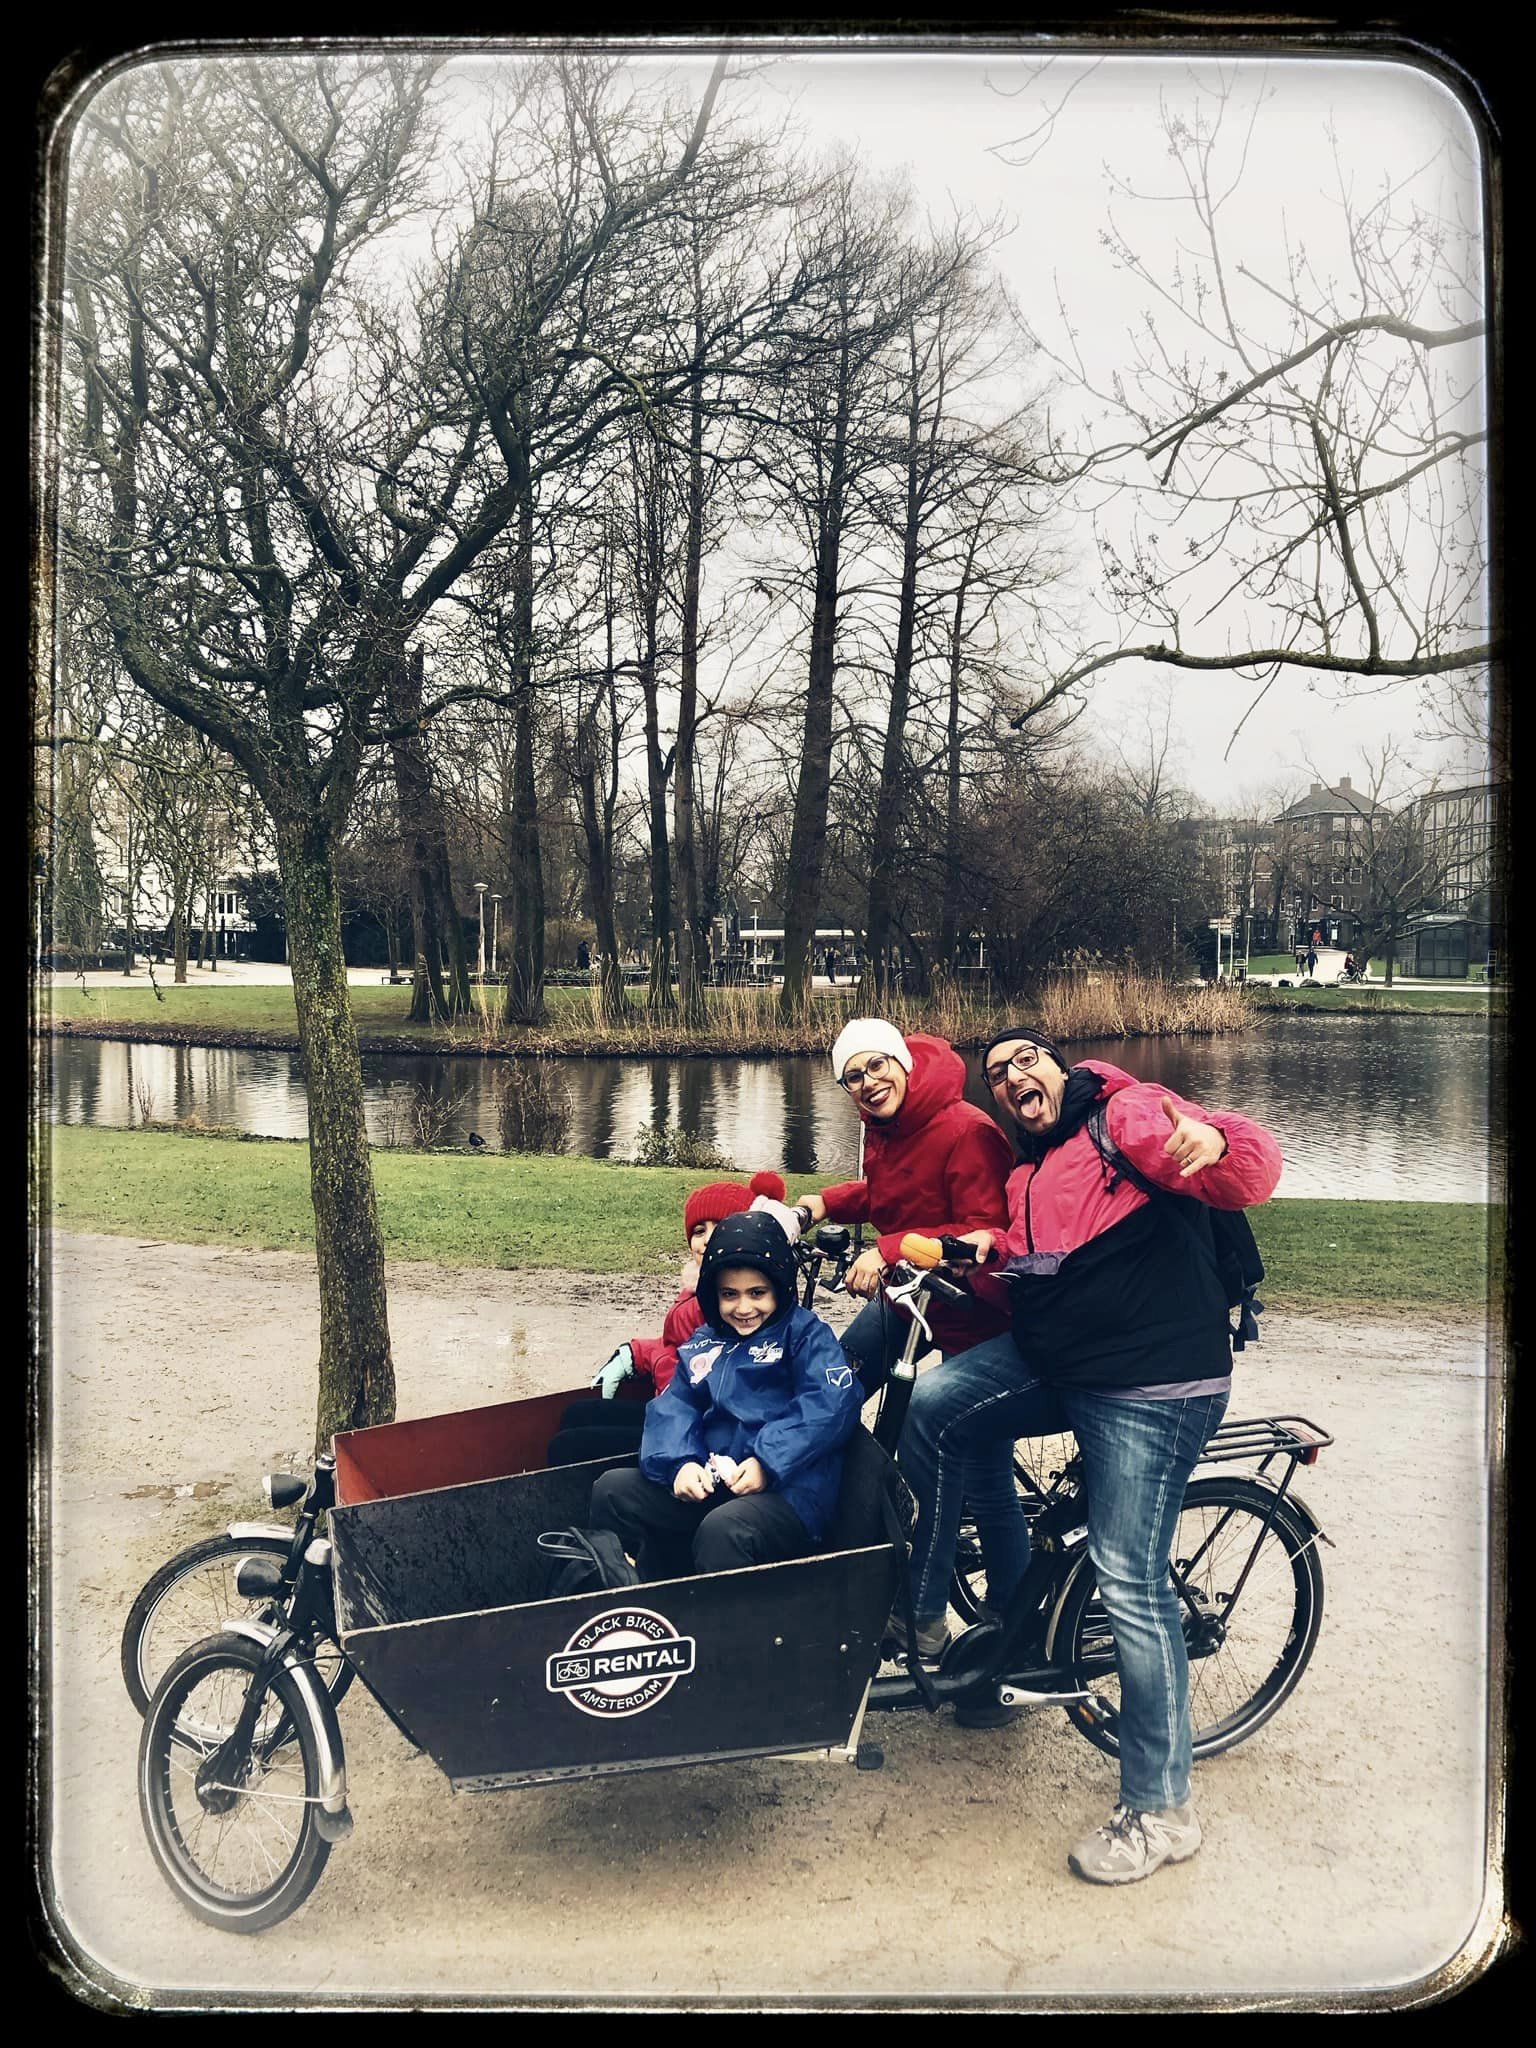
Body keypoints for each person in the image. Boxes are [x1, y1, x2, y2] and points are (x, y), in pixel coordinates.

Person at [895, 1025, 1282, 1886]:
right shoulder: (1029, 1171)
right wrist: (987, 1252)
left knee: (1128, 1578)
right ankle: (951, 1620)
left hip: (1150, 1383)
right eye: (997, 1073)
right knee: (936, 1408)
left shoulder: (1127, 1115)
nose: (1012, 1077)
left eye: (1026, 1059)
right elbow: (1048, 1263)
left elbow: (1250, 1165)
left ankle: (1162, 1811)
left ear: (1059, 1068)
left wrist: (1218, 1142)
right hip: (1066, 1364)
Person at [589, 1211, 863, 1578]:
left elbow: (831, 1403)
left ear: (780, 1288)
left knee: (723, 1531)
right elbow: (675, 1403)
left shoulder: (805, 1335)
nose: (744, 1308)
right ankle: (632, 1593)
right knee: (612, 1491)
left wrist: (767, 1462)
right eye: (729, 1295)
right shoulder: (707, 1340)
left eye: (757, 1293)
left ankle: (730, 1614)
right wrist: (680, 1463)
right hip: (716, 1480)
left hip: (788, 1490)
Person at [771, 1020, 1012, 1398]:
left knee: (939, 1420)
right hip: (906, 1295)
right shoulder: (887, 1124)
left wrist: (887, 1251)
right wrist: (827, 1202)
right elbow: (895, 1191)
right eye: (853, 1077)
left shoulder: (968, 1130)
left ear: (902, 1062)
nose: (868, 1082)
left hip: (969, 1311)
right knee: (831, 1388)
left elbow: (984, 1231)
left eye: (877, 1065)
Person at [546, 1171, 786, 1465]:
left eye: (721, 1227)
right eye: (699, 1231)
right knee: (577, 1414)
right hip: (672, 1408)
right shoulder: (698, 1287)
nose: (706, 1240)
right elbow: (678, 1345)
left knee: (568, 1447)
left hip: (696, 1429)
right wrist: (638, 1353)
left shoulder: (733, 1303)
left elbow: (702, 1366)